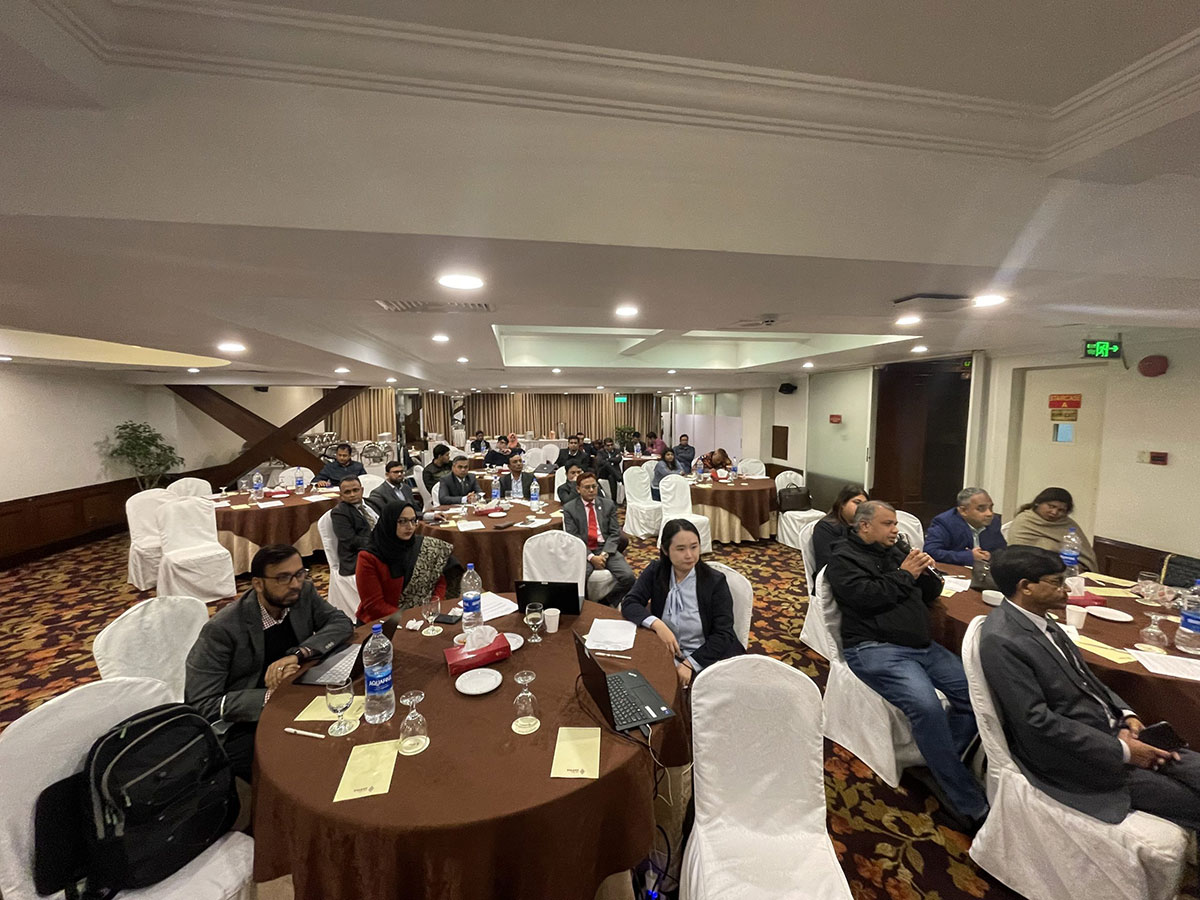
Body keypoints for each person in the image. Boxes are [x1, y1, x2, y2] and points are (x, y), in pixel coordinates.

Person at [981, 546, 1200, 830]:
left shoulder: (1042, 621)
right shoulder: (1002, 639)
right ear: (1026, 587)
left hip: (1110, 732)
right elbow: (1036, 721)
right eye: (1057, 582)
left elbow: (1087, 679)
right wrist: (1122, 750)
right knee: (1191, 802)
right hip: (1077, 759)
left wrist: (1126, 714)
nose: (1067, 589)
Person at [827, 500, 988, 830]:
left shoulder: (896, 550)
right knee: (926, 707)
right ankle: (967, 801)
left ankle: (941, 764)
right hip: (874, 648)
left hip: (921, 647)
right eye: (888, 524)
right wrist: (905, 574)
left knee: (976, 696)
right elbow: (865, 598)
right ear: (864, 526)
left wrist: (927, 573)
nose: (896, 530)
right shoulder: (843, 558)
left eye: (896, 524)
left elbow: (928, 593)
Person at [185, 543, 353, 781]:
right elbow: (202, 703)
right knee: (297, 771)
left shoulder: (302, 593)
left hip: (296, 696)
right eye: (283, 578)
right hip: (247, 719)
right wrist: (270, 696)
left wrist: (298, 654)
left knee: (345, 734)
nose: (295, 584)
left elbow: (340, 623)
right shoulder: (222, 629)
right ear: (258, 584)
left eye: (299, 574)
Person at [622, 518, 745, 686]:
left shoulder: (714, 582)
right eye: (681, 549)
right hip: (668, 652)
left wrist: (690, 663)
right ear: (665, 550)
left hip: (707, 656)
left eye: (694, 547)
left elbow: (723, 633)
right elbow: (630, 602)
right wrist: (658, 625)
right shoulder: (657, 571)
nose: (689, 555)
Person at [355, 501, 464, 623]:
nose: (410, 527)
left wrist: (434, 605)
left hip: (424, 617)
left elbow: (439, 580)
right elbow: (375, 606)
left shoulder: (425, 546)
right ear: (389, 522)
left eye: (413, 520)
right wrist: (413, 617)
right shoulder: (369, 557)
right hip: (384, 622)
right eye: (402, 521)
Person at [561, 472, 637, 606]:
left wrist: (604, 555)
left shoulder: (608, 505)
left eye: (594, 486)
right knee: (579, 578)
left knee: (629, 577)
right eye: (587, 487)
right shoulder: (570, 508)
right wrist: (591, 557)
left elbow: (615, 533)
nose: (591, 490)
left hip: (605, 548)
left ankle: (606, 602)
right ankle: (584, 606)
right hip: (583, 549)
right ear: (578, 489)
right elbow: (573, 537)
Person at [1007, 487, 1098, 572]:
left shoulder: (1068, 524)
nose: (1054, 512)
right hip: (1031, 570)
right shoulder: (1024, 521)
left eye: (1061, 510)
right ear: (1038, 503)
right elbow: (1019, 554)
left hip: (1068, 571)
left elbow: (1085, 557)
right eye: (1051, 506)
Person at [924, 487, 1007, 566]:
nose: (989, 513)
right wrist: (969, 556)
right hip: (955, 571)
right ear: (963, 511)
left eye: (991, 508)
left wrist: (991, 556)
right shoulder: (945, 522)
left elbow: (1002, 550)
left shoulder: (994, 522)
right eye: (981, 509)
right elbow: (931, 551)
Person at [812, 484, 869, 575]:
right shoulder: (825, 527)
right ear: (842, 503)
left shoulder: (863, 526)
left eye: (865, 505)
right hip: (836, 575)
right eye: (857, 503)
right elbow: (829, 562)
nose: (861, 508)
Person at [330, 476, 377, 575]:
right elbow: (351, 541)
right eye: (347, 492)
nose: (352, 495)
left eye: (356, 490)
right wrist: (380, 544)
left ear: (362, 490)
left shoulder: (373, 503)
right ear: (341, 495)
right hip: (359, 555)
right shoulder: (339, 513)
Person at [595, 437, 624, 502]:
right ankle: (619, 478)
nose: (610, 447)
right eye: (608, 445)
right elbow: (599, 461)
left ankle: (613, 500)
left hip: (612, 474)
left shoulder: (617, 451)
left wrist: (607, 459)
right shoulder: (600, 452)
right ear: (604, 446)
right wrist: (612, 460)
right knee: (607, 465)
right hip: (603, 472)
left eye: (611, 445)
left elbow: (618, 459)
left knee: (611, 477)